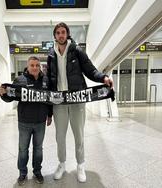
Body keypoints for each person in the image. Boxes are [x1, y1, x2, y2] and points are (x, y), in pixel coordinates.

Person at [47, 22, 113, 183]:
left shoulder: (77, 51)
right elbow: (49, 81)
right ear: (54, 36)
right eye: (58, 33)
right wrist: (48, 111)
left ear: (67, 34)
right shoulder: (50, 55)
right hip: (58, 102)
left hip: (77, 100)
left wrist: (103, 77)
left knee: (79, 136)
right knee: (59, 137)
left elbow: (90, 70)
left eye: (63, 32)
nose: (61, 35)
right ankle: (61, 164)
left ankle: (80, 165)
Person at [0, 56, 52, 186]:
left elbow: (50, 100)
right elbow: (10, 97)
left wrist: (50, 115)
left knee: (38, 149)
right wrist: (3, 94)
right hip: (24, 122)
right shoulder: (19, 80)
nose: (35, 68)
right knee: (23, 149)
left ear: (40, 66)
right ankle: (22, 173)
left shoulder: (46, 80)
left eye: (37, 65)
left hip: (40, 122)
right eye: (32, 65)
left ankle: (37, 171)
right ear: (28, 67)